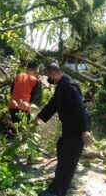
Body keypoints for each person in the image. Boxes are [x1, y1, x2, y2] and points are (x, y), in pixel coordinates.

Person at [33, 63, 92, 196]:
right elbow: (53, 104)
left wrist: (84, 130)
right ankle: (59, 185)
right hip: (69, 127)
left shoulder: (69, 86)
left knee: (67, 159)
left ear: (54, 73)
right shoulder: (61, 86)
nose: (49, 80)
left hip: (77, 129)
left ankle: (58, 191)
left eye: (49, 76)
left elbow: (79, 109)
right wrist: (38, 117)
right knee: (61, 150)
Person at [8, 61, 42, 126]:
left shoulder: (17, 76)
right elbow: (32, 97)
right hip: (24, 108)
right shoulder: (35, 80)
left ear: (27, 67)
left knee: (14, 127)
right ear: (36, 69)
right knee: (26, 127)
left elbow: (11, 91)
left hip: (12, 106)